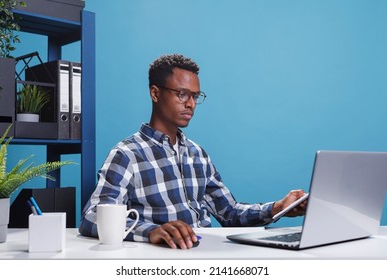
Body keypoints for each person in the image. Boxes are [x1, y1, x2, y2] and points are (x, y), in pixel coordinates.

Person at [79, 53, 307, 250]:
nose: (191, 104)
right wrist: (150, 231)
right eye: (182, 94)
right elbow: (91, 218)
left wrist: (279, 207)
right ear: (155, 93)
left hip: (205, 256)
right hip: (161, 262)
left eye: (195, 96)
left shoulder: (197, 154)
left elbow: (229, 213)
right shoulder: (127, 154)